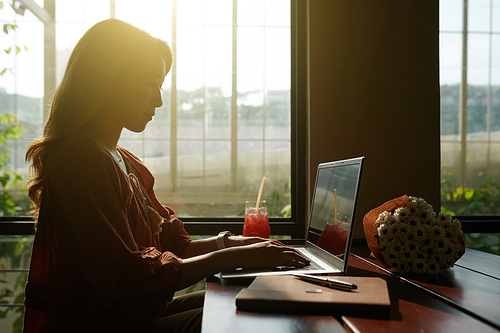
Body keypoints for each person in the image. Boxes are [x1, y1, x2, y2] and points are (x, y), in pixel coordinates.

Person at [23, 19, 308, 333]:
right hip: (101, 325)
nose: (157, 100)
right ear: (107, 80)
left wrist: (231, 243)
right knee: (238, 314)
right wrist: (233, 256)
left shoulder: (123, 161)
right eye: (149, 82)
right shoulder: (79, 157)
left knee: (239, 298)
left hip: (131, 317)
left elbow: (171, 247)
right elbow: (130, 280)